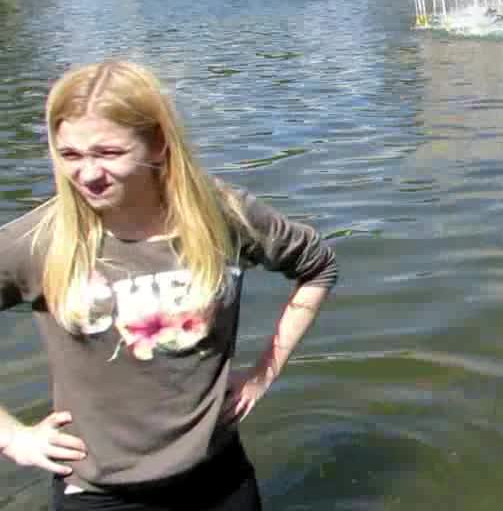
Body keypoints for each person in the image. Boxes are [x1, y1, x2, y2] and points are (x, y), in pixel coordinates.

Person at [0, 60, 339, 510]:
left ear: (159, 144)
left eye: (109, 153)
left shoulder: (221, 215)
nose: (88, 174)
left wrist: (264, 373)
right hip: (99, 495)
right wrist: (13, 437)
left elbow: (317, 267)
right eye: (71, 155)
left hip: (219, 481)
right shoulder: (38, 241)